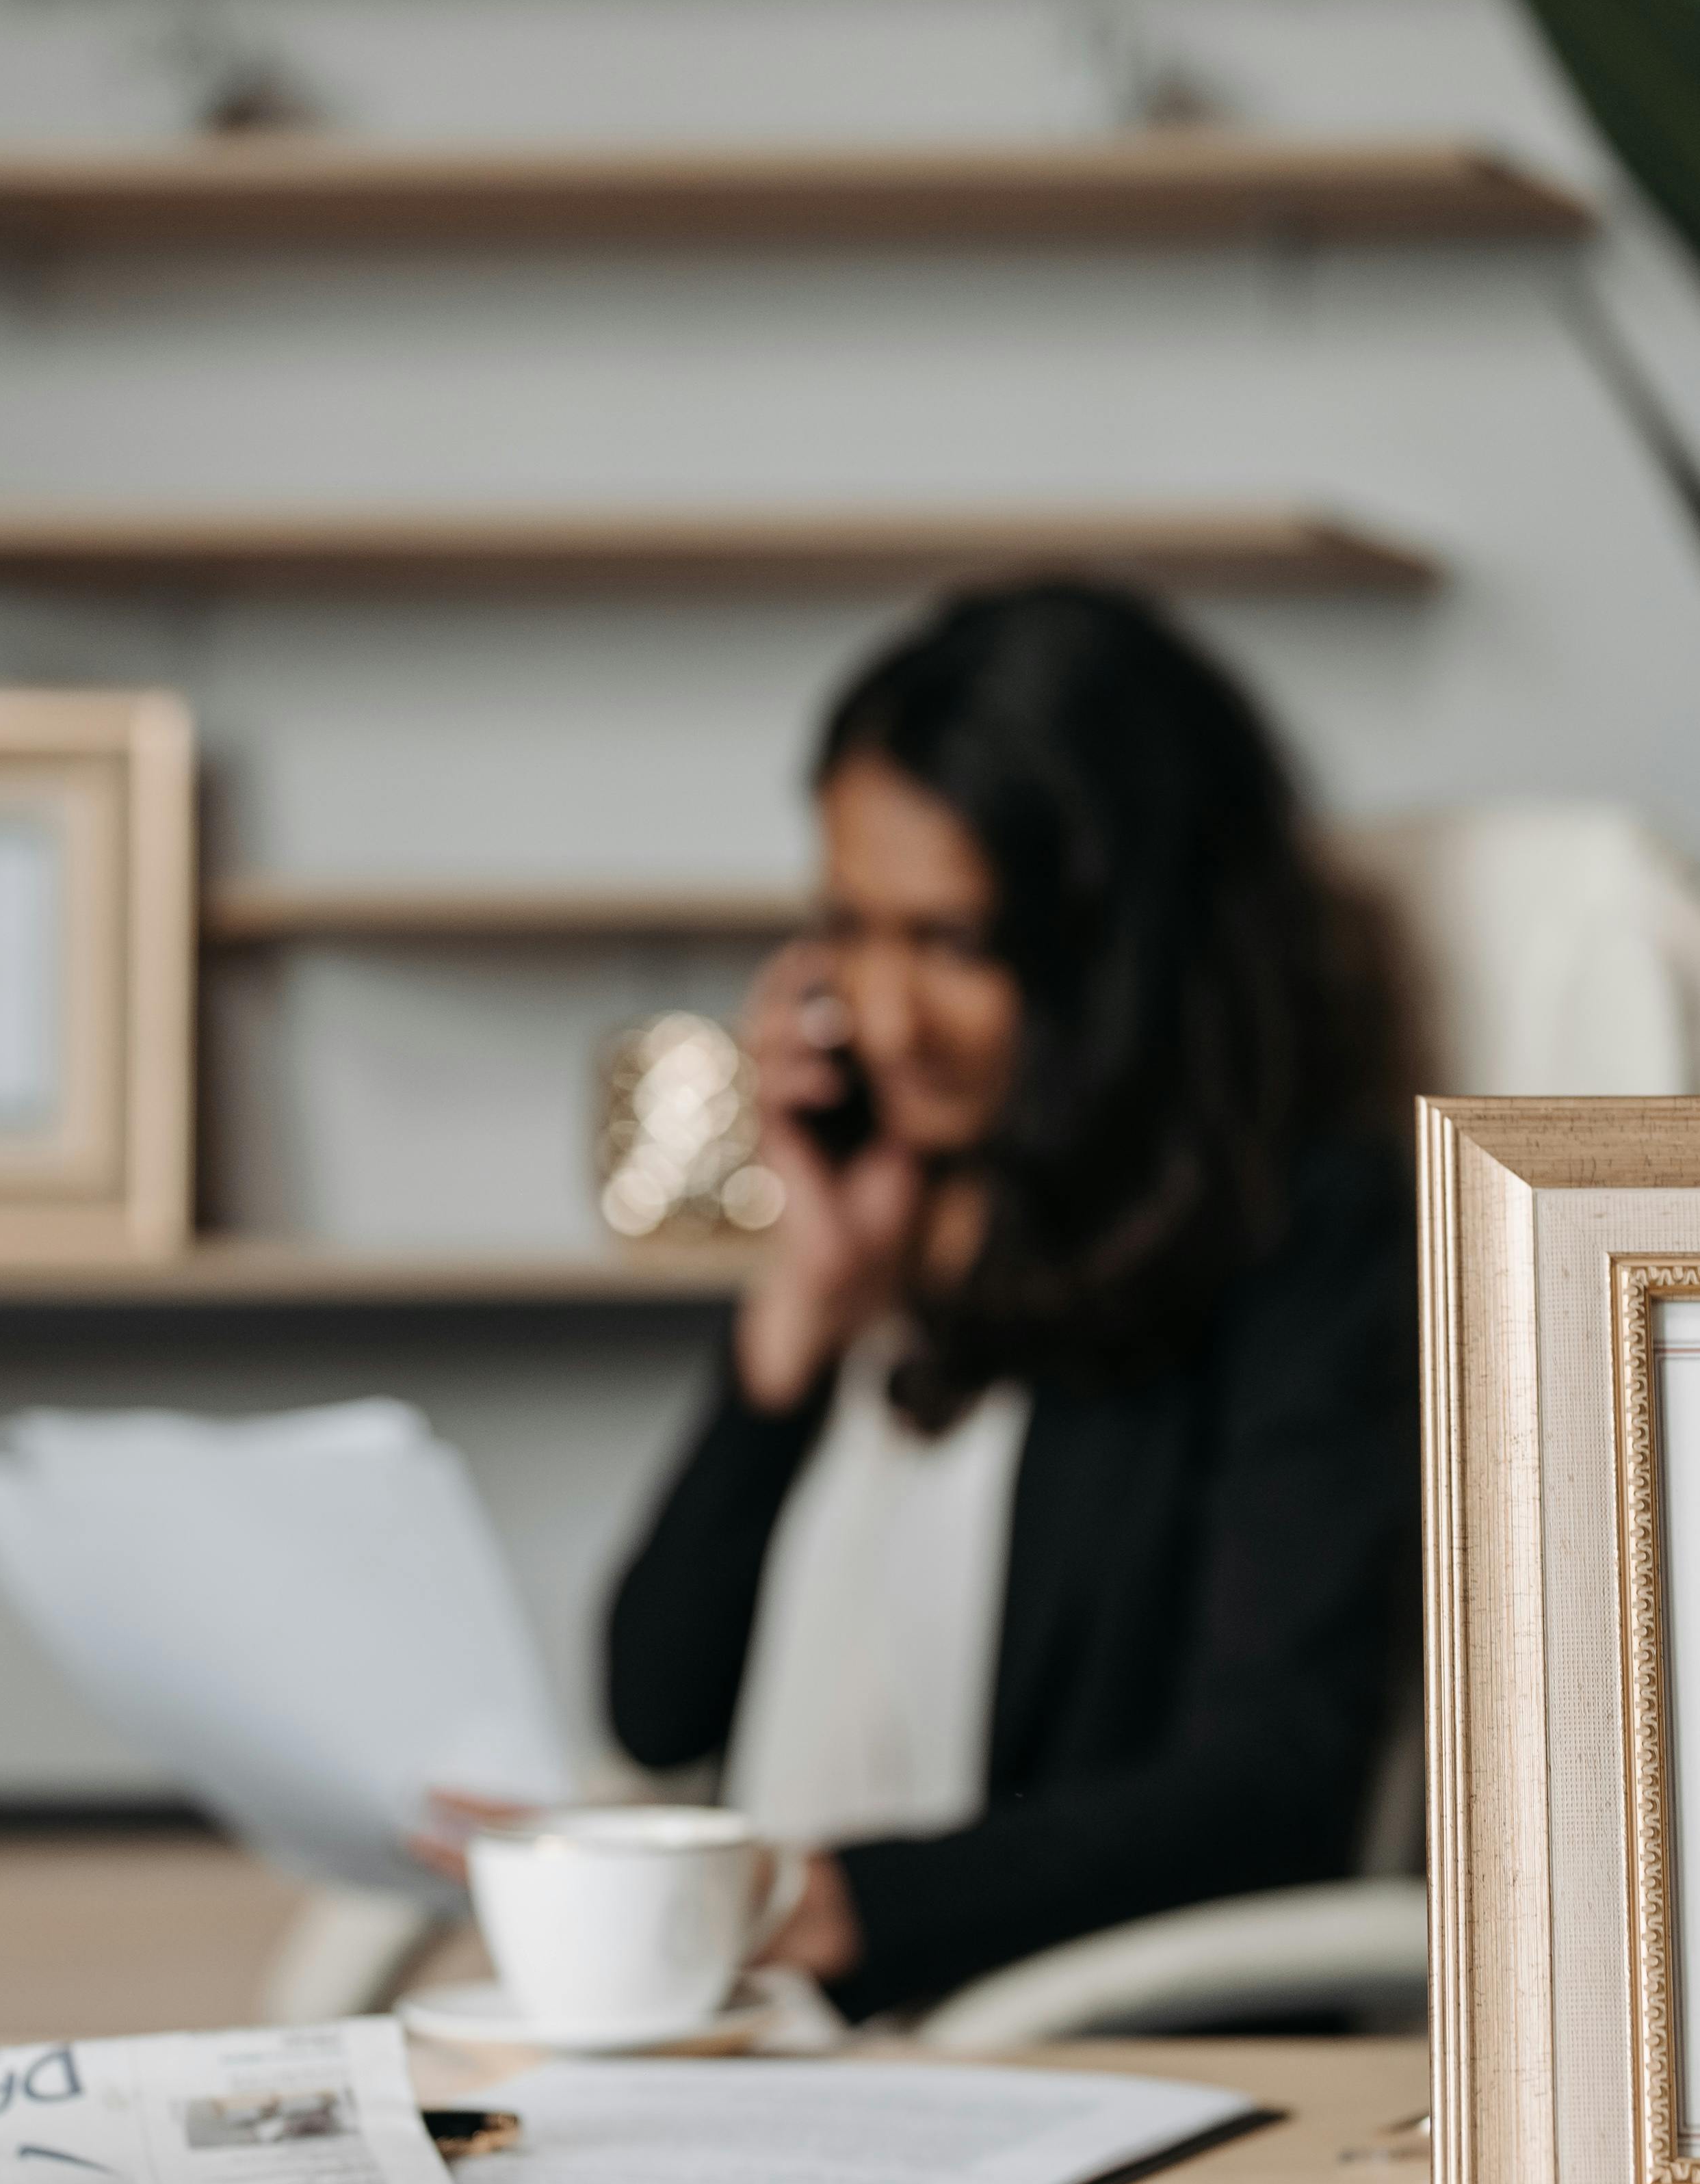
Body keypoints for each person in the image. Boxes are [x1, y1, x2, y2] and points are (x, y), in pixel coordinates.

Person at [600, 579, 1417, 2020]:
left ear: (1118, 945)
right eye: (849, 928)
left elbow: (1272, 1787)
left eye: (954, 943)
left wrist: (837, 1905)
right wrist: (802, 1309)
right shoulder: (893, 1210)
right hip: (772, 2054)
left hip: (1047, 2068)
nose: (885, 1013)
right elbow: (652, 1701)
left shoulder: (1308, 1248)